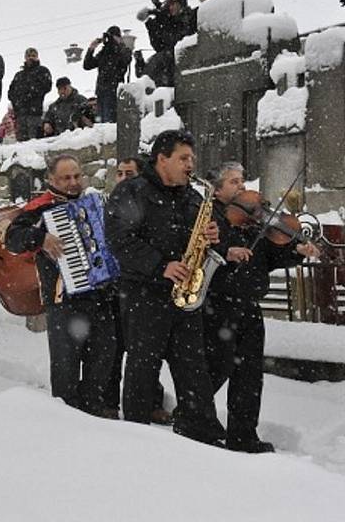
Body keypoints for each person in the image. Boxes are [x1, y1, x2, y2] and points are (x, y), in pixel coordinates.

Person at [105, 130, 227, 446]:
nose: (191, 165)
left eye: (192, 159)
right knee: (142, 367)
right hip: (143, 294)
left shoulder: (193, 196)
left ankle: (201, 432)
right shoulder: (130, 192)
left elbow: (204, 236)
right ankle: (136, 434)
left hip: (185, 295)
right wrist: (161, 266)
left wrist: (213, 234)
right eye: (183, 158)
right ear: (162, 159)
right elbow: (119, 241)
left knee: (193, 367)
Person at [203, 161, 318, 453]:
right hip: (219, 305)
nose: (242, 188)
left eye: (242, 182)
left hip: (249, 306)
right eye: (233, 183)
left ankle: (243, 435)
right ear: (217, 190)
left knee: (250, 374)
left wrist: (297, 251)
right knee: (219, 366)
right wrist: (226, 251)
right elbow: (205, 250)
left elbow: (270, 256)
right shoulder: (211, 218)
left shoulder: (255, 220)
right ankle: (194, 419)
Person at [6, 155, 117, 414]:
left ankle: (95, 411)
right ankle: (66, 420)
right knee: (66, 367)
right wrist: (40, 237)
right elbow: (12, 239)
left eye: (77, 176)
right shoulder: (40, 208)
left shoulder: (95, 204)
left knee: (102, 361)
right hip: (64, 300)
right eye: (66, 178)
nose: (73, 182)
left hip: (100, 297)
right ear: (51, 180)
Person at [102, 157, 173, 424]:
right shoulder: (107, 204)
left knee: (142, 351)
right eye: (119, 173)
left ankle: (152, 401)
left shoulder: (146, 204)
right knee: (113, 349)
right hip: (111, 288)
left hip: (138, 288)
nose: (123, 177)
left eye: (128, 172)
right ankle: (109, 401)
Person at [135, 0, 195, 87]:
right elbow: (158, 46)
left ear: (181, 4)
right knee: (155, 62)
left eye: (173, 4)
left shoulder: (188, 17)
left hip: (184, 64)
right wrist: (152, 25)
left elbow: (176, 40)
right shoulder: (170, 20)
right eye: (168, 5)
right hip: (171, 70)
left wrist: (164, 20)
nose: (170, 8)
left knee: (160, 60)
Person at [83, 26, 131, 123]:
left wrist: (115, 42)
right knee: (102, 121)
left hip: (114, 90)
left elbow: (124, 60)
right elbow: (87, 65)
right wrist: (91, 49)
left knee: (110, 121)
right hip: (101, 91)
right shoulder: (104, 52)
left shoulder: (123, 50)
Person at [7, 47, 52, 141]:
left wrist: (30, 95)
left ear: (37, 57)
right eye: (29, 56)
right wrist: (17, 104)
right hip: (21, 115)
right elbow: (11, 93)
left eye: (33, 56)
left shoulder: (42, 71)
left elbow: (46, 87)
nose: (31, 58)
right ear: (25, 57)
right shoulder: (19, 75)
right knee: (21, 143)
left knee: (34, 142)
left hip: (34, 114)